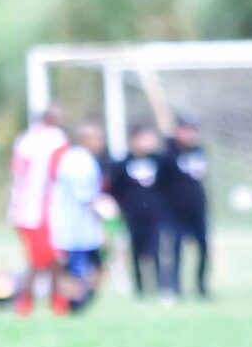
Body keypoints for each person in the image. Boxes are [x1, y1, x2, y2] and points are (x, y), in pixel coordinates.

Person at [7, 105, 68, 316]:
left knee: (43, 259)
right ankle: (36, 302)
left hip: (20, 208)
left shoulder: (25, 139)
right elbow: (60, 171)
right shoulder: (55, 139)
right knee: (46, 260)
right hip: (41, 209)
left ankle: (50, 302)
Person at [46, 120, 108, 315]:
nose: (101, 143)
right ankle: (73, 306)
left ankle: (78, 303)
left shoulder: (79, 159)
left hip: (81, 228)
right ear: (85, 139)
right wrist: (107, 216)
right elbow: (85, 197)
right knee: (76, 271)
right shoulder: (80, 162)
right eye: (97, 139)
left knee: (93, 269)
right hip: (76, 229)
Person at [108, 125, 170, 297]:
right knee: (136, 250)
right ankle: (139, 287)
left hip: (155, 214)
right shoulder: (122, 164)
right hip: (133, 214)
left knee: (155, 249)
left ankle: (159, 285)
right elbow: (116, 188)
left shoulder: (159, 161)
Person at [157, 114, 211, 299]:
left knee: (203, 249)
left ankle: (201, 287)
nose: (189, 135)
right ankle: (174, 287)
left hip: (197, 211)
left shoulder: (199, 152)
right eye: (185, 130)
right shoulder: (167, 154)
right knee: (176, 251)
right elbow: (160, 184)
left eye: (192, 131)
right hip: (175, 213)